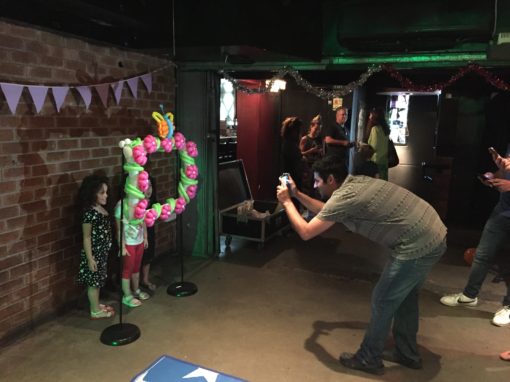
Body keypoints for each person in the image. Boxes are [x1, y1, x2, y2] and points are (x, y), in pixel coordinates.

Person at [276, 156, 447, 375]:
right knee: (404, 299)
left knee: (383, 299)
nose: (315, 185)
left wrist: (287, 203)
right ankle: (407, 353)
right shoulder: (355, 184)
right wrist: (297, 194)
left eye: (318, 181)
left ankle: (369, 358)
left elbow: (306, 231)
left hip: (417, 245)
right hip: (433, 233)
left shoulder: (344, 198)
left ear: (330, 179)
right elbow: (329, 212)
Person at [440, 146, 510, 327]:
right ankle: (469, 295)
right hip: (502, 211)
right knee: (482, 254)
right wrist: (494, 175)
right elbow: (505, 169)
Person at [76, 174, 115, 320]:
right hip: (94, 254)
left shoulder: (100, 209)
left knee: (98, 281)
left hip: (102, 253)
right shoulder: (90, 213)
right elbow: (86, 237)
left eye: (106, 192)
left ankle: (96, 304)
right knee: (93, 283)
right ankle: (94, 310)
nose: (106, 195)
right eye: (102, 193)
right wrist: (90, 258)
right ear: (93, 194)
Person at [115, 184, 150, 308]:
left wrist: (145, 237)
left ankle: (135, 289)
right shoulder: (121, 205)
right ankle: (127, 294)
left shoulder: (140, 203)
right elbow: (119, 228)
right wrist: (122, 246)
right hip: (128, 243)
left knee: (136, 267)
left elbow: (144, 221)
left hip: (139, 241)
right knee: (127, 269)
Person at [140, 176, 157, 292]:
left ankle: (145, 280)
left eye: (150, 186)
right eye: (146, 186)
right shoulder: (136, 204)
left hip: (150, 232)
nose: (149, 189)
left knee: (148, 255)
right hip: (137, 234)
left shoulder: (153, 203)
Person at [300, 114, 323, 196]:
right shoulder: (305, 139)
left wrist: (320, 152)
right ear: (311, 127)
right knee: (307, 187)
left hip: (316, 166)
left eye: (319, 130)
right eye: (316, 129)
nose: (317, 131)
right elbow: (299, 154)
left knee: (315, 188)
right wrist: (311, 150)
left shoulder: (319, 139)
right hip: (307, 167)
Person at [367, 107, 390, 180]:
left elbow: (374, 146)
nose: (369, 117)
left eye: (370, 115)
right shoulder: (386, 129)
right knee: (383, 181)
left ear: (374, 117)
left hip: (376, 161)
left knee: (376, 183)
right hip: (384, 160)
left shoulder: (375, 129)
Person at [281, 116, 304, 190]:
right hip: (291, 179)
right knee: (290, 198)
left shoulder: (288, 143)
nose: (300, 133)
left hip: (287, 177)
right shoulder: (290, 145)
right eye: (299, 130)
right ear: (294, 131)